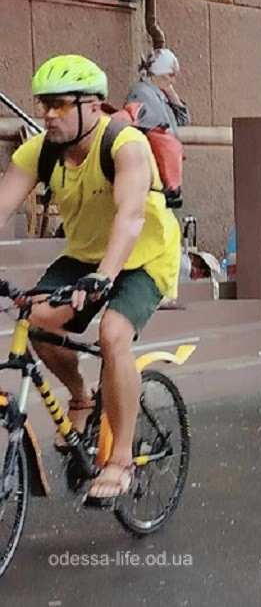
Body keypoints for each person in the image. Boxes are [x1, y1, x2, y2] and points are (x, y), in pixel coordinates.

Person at [0, 55, 181, 504]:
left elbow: (131, 216)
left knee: (113, 333)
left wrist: (104, 277)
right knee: (36, 323)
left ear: (93, 105)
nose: (48, 114)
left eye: (60, 104)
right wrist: (92, 271)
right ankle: (81, 396)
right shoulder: (40, 151)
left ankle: (119, 460)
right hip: (83, 255)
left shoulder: (124, 145)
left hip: (144, 256)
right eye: (45, 105)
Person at [126, 47, 190, 136]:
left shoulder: (161, 96)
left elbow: (183, 120)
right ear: (158, 73)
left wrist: (172, 95)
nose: (173, 81)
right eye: (170, 75)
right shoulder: (142, 93)